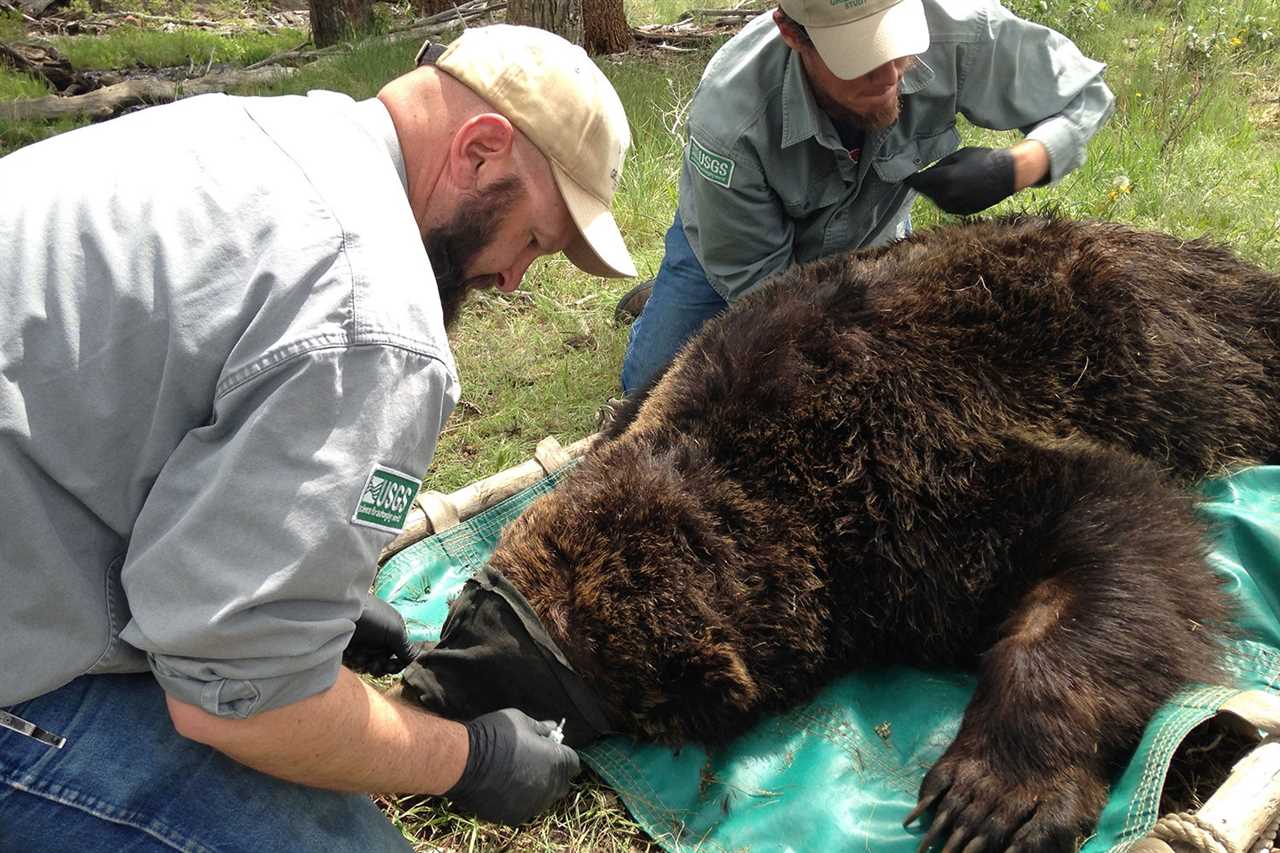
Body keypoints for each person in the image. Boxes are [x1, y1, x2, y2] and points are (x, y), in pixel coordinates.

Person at [0, 24, 635, 851]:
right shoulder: (374, 315)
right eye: (533, 241)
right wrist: (468, 758)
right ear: (481, 149)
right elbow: (237, 703)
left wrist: (296, 594)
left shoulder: (254, 133)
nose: (513, 279)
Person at [618, 0, 1115, 394]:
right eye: (859, 57)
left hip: (869, 230)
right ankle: (670, 296)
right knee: (657, 388)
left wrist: (1015, 168)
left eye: (895, 43)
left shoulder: (956, 26)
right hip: (737, 252)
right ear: (793, 35)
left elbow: (1085, 95)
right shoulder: (730, 123)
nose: (889, 75)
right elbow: (757, 287)